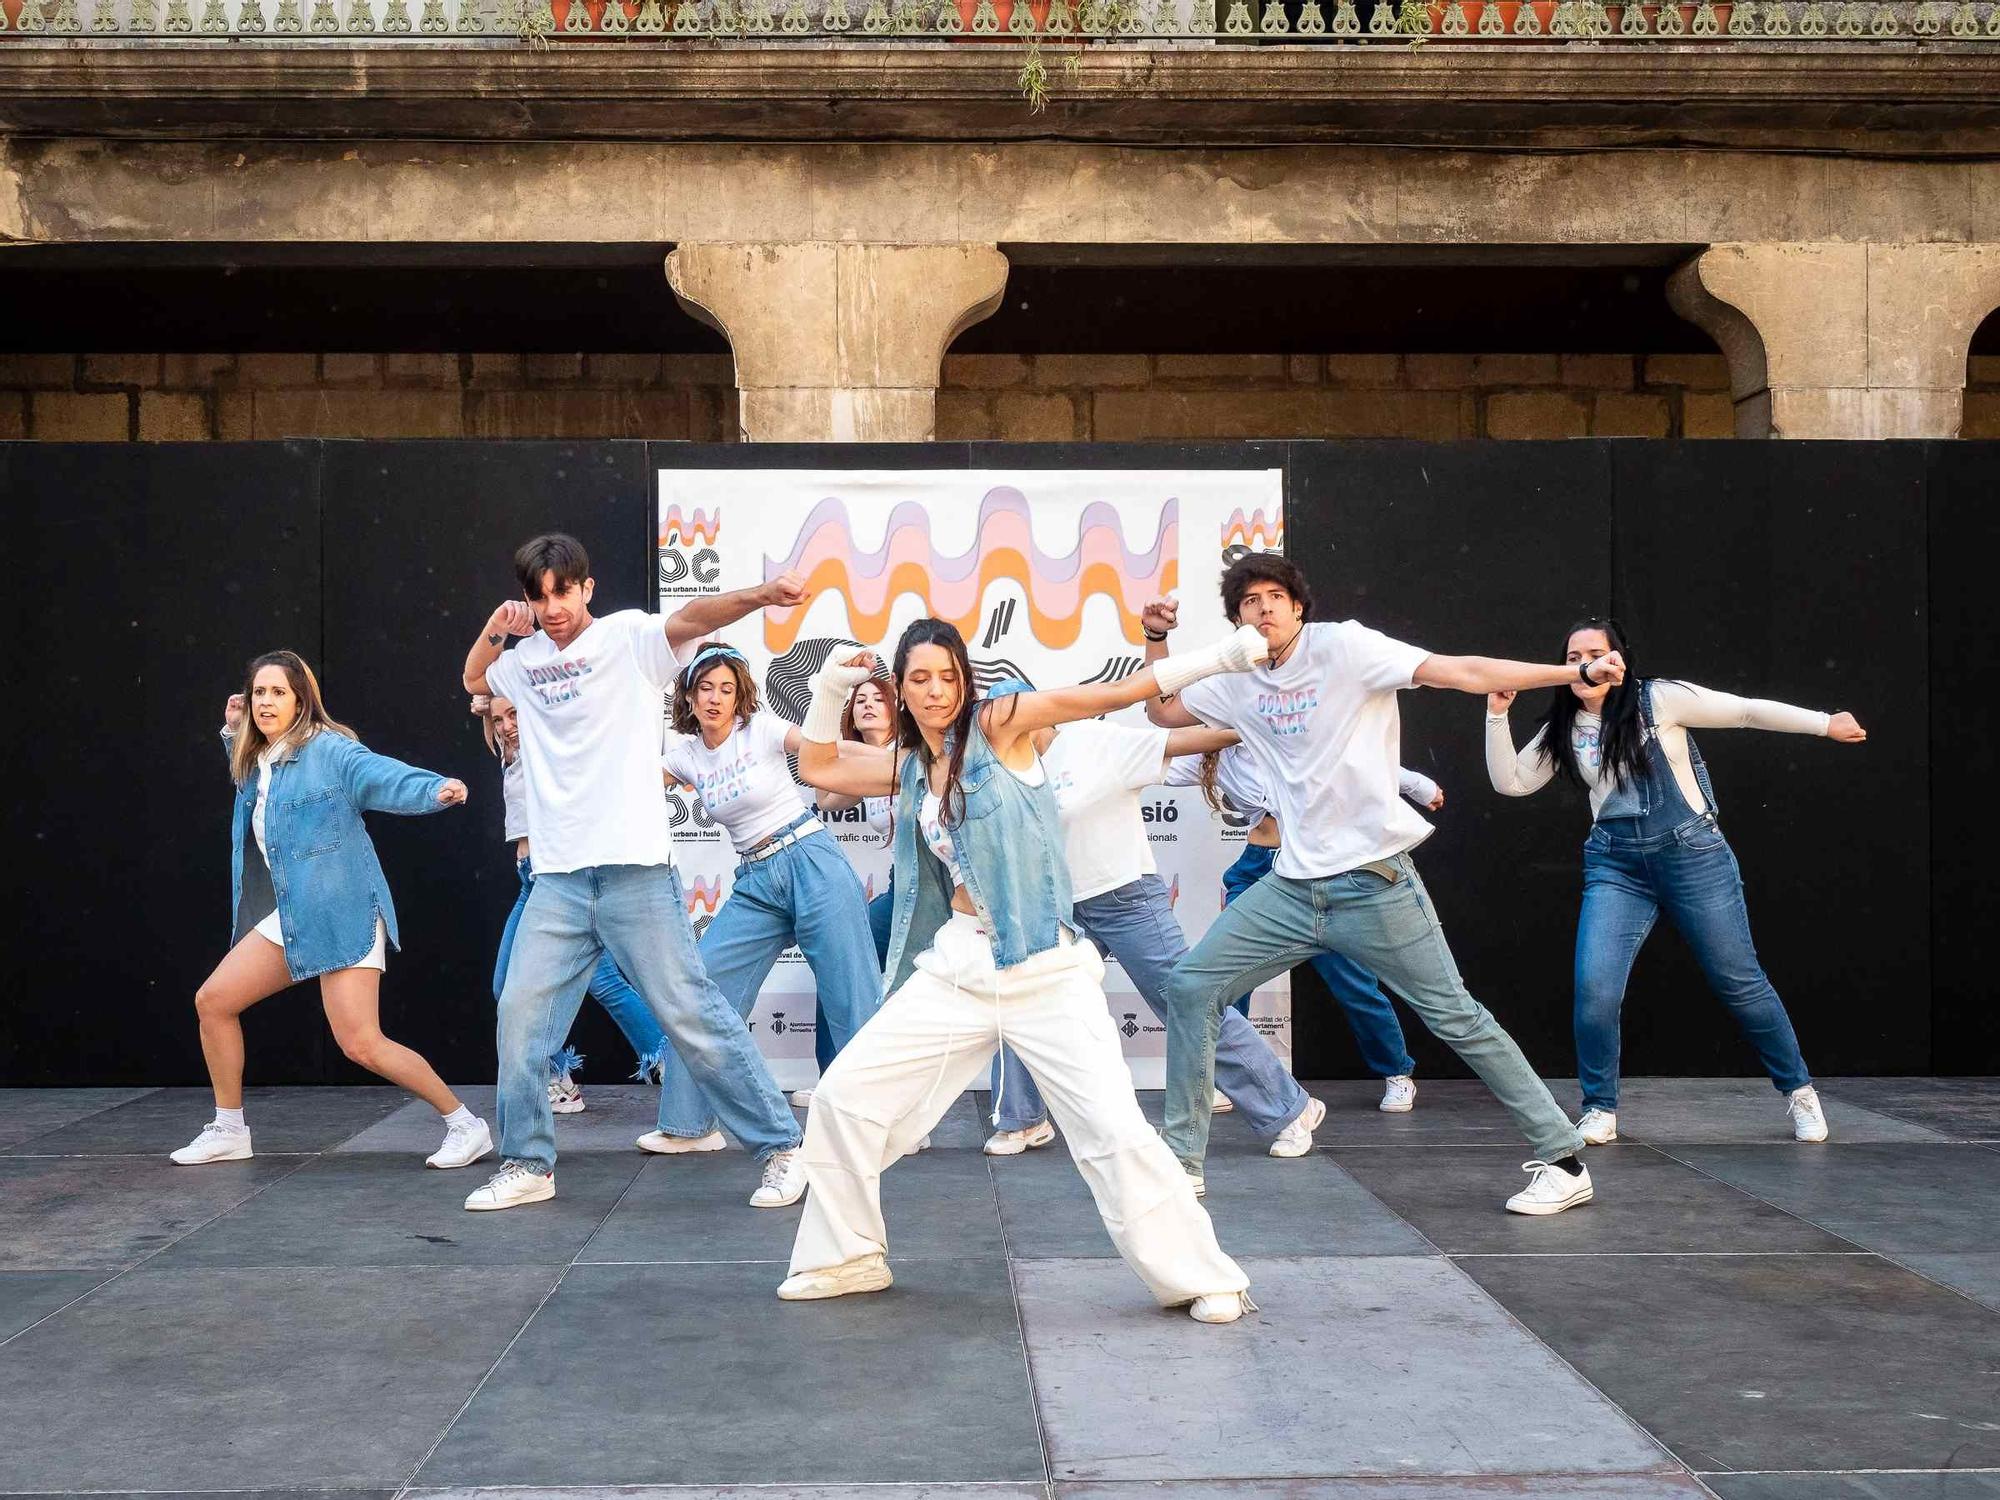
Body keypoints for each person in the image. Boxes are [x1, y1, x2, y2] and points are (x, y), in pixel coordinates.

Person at [779, 618, 1263, 1321]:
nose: (937, 690)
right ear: (901, 689)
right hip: (961, 965)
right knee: (843, 1098)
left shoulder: (1000, 722)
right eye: (920, 678)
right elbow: (819, 767)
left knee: (1112, 1132)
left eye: (948, 675)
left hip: (1045, 971)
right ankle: (846, 1256)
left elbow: (1113, 692)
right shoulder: (911, 765)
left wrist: (1220, 657)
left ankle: (1204, 1277)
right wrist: (828, 689)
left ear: (965, 679)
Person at [1145, 554, 1621, 1216]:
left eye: (1277, 596)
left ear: (1299, 607)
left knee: (1456, 1015)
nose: (1266, 609)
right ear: (1238, 619)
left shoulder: (1346, 647)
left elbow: (1461, 672)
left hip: (1375, 883)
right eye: (1251, 601)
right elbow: (1166, 711)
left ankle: (1566, 1161)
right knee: (1192, 985)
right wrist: (1157, 636)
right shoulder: (1238, 681)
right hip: (1290, 889)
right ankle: (1181, 1165)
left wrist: (1574, 674)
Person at [459, 533, 806, 1212]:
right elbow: (475, 679)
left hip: (634, 872)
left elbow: (697, 618)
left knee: (693, 1014)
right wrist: (497, 630)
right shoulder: (524, 660)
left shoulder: (625, 638)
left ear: (587, 588)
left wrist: (764, 594)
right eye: (539, 595)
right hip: (558, 881)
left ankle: (782, 1149)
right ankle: (529, 1162)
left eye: (564, 590)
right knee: (521, 1019)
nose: (552, 606)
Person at [1485, 617, 1866, 1145]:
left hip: (1693, 857)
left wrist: (1826, 723)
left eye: (1593, 652)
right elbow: (1511, 782)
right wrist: (1497, 715)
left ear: (1617, 660)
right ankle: (1599, 1107)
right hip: (1616, 866)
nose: (1582, 663)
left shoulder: (1658, 701)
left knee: (1739, 982)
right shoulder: (1563, 729)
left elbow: (1746, 711)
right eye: (1572, 656)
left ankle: (1798, 1091)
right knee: (1594, 990)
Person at [173, 651, 490, 1171]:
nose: (266, 702)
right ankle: (229, 1128)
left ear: (301, 698)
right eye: (258, 693)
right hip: (295, 914)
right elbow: (247, 777)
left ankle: (464, 1124)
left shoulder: (329, 750)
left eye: (277, 692)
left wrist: (432, 789)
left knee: (361, 1044)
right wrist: (233, 733)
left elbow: (379, 775)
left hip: (345, 910)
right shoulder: (260, 763)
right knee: (213, 1002)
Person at [980, 699, 1331, 1168]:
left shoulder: (1094, 742)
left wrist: (1245, 725)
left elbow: (1177, 741)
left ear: (1038, 713)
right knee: (1025, 996)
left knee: (1187, 1000)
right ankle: (1023, 1118)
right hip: (1058, 907)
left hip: (1126, 897)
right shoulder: (1004, 769)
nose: (999, 733)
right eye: (991, 727)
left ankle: (1290, 1108)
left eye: (1007, 720)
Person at [644, 642, 882, 1154]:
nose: (715, 699)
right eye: (705, 687)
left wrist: (900, 762)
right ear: (688, 694)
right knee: (702, 994)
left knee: (853, 999)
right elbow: (628, 786)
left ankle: (881, 1124)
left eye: (726, 689)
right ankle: (689, 1126)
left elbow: (828, 752)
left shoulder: (765, 729)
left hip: (810, 860)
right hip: (756, 879)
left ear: (739, 697)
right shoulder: (684, 756)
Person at [1163, 743, 1438, 1115]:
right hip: (1256, 867)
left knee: (1352, 980)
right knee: (1226, 977)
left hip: (1315, 868)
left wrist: (1418, 785)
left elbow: (1359, 761)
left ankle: (1396, 1071)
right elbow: (1153, 760)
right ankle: (1228, 1075)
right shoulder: (1215, 753)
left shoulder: (1288, 730)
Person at [477, 692, 667, 1114]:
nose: (507, 725)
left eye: (515, 715)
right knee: (507, 986)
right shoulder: (510, 753)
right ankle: (558, 1078)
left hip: (561, 879)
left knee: (604, 983)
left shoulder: (551, 749)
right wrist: (489, 704)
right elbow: (481, 696)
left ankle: (672, 1066)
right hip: (531, 881)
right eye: (500, 719)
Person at [802, 672, 900, 1107]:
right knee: (839, 958)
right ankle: (834, 1081)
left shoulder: (915, 751)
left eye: (878, 698)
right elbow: (825, 800)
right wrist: (831, 736)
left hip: (950, 891)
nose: (868, 704)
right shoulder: (870, 766)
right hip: (907, 891)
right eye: (859, 700)